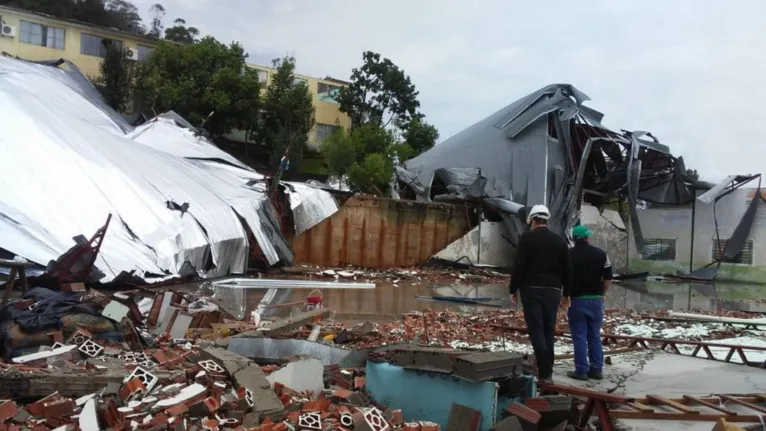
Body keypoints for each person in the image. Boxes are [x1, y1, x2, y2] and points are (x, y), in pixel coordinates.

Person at [509, 205, 572, 384]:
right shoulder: (559, 241)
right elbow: (568, 269)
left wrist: (513, 289)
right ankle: (547, 370)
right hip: (553, 291)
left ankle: (545, 372)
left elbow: (519, 265)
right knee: (548, 330)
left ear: (532, 221)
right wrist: (567, 294)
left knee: (536, 330)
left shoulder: (526, 238)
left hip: (531, 289)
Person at [566, 225, 613, 381]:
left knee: (579, 336)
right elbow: (607, 278)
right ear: (587, 237)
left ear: (574, 239)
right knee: (594, 336)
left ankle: (581, 371)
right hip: (595, 301)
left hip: (577, 300)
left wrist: (564, 296)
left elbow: (563, 278)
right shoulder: (601, 254)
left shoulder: (568, 255)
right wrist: (601, 294)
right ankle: (596, 370)